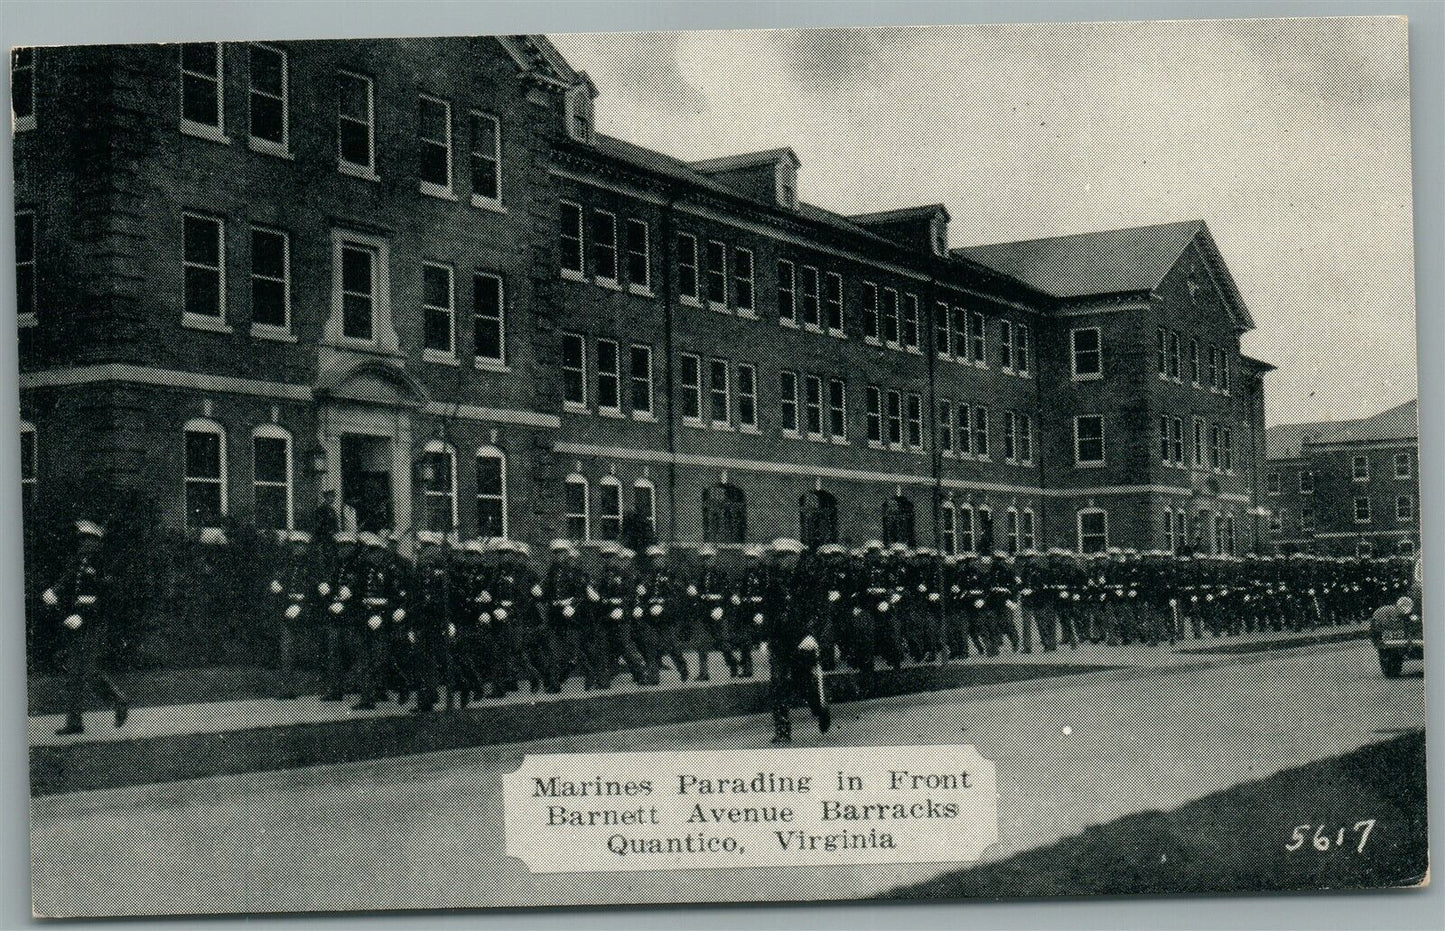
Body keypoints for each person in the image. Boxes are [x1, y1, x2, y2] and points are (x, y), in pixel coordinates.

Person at [42, 519, 128, 736]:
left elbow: (106, 597)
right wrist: (54, 591)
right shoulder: (80, 560)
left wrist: (82, 615)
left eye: (87, 539)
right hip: (76, 621)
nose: (83, 543)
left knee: (89, 672)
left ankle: (118, 701)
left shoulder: (103, 563)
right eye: (81, 539)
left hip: (94, 623)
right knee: (73, 673)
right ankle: (74, 723)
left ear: (97, 541)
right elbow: (68, 580)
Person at [763, 538, 831, 743]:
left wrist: (811, 634)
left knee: (804, 683)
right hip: (780, 640)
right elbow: (769, 612)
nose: (782, 561)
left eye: (787, 556)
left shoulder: (811, 579)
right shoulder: (772, 580)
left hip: (802, 639)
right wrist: (765, 639)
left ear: (797, 557)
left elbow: (819, 609)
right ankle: (782, 731)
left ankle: (820, 709)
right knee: (777, 683)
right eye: (779, 556)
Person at [265, 529, 314, 700]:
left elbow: (315, 591)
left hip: (307, 612)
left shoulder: (312, 566)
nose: (297, 549)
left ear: (307, 547)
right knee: (287, 649)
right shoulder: (288, 565)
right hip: (289, 609)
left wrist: (302, 605)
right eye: (295, 545)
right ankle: (288, 688)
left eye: (301, 545)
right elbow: (281, 584)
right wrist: (276, 586)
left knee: (311, 651)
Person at [637, 544, 689, 685]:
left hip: (667, 617)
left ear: (664, 558)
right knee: (650, 645)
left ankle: (683, 668)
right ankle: (653, 677)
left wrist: (663, 607)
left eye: (659, 558)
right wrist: (641, 605)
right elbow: (642, 597)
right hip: (650, 617)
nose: (656, 561)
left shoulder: (671, 575)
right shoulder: (647, 576)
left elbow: (677, 598)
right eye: (653, 559)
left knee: (672, 646)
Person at [688, 544, 737, 680]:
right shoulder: (699, 574)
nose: (706, 561)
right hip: (703, 611)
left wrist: (722, 608)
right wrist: (692, 589)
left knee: (723, 642)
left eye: (709, 558)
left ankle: (732, 662)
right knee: (702, 643)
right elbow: (694, 589)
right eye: (704, 558)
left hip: (718, 610)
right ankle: (704, 673)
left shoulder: (722, 574)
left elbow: (729, 595)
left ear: (714, 558)